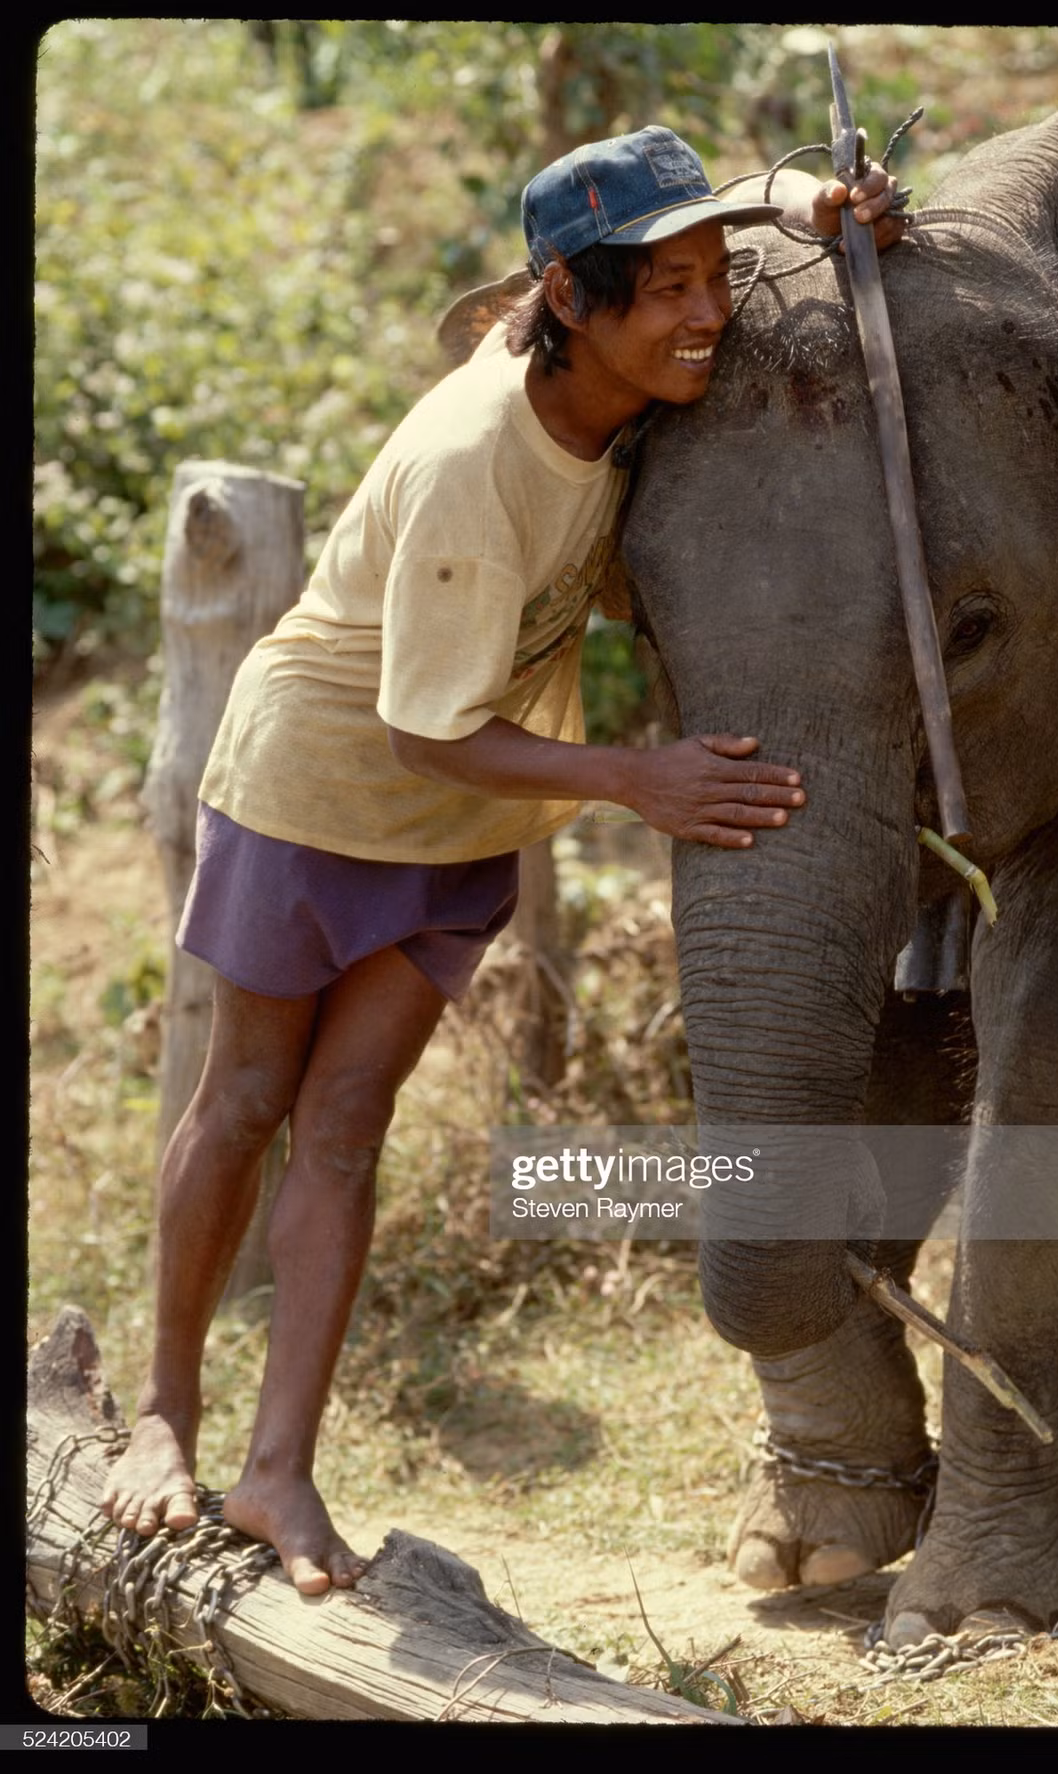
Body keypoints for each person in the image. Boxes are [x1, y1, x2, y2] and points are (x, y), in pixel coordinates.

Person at [101, 125, 899, 1593]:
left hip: (463, 815)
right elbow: (423, 727)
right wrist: (636, 781)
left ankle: (277, 1470)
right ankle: (163, 1415)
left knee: (347, 1127)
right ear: (569, 298)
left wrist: (814, 200)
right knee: (248, 1101)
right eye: (668, 289)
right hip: (317, 792)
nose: (708, 313)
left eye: (714, 278)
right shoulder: (478, 456)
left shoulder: (614, 384)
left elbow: (737, 202)